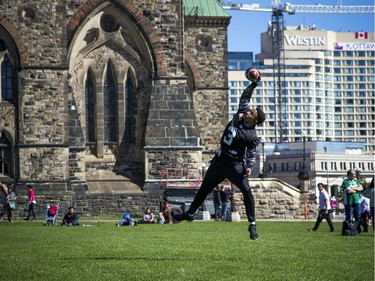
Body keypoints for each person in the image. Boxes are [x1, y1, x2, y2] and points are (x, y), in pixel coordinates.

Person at [172, 71, 265, 240]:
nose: (248, 111)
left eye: (252, 113)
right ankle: (190, 214)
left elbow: (251, 152)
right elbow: (245, 97)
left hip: (234, 164)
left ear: (255, 121)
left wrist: (249, 167)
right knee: (204, 189)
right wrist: (254, 84)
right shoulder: (240, 114)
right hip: (219, 160)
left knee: (247, 190)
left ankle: (252, 225)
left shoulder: (251, 135)